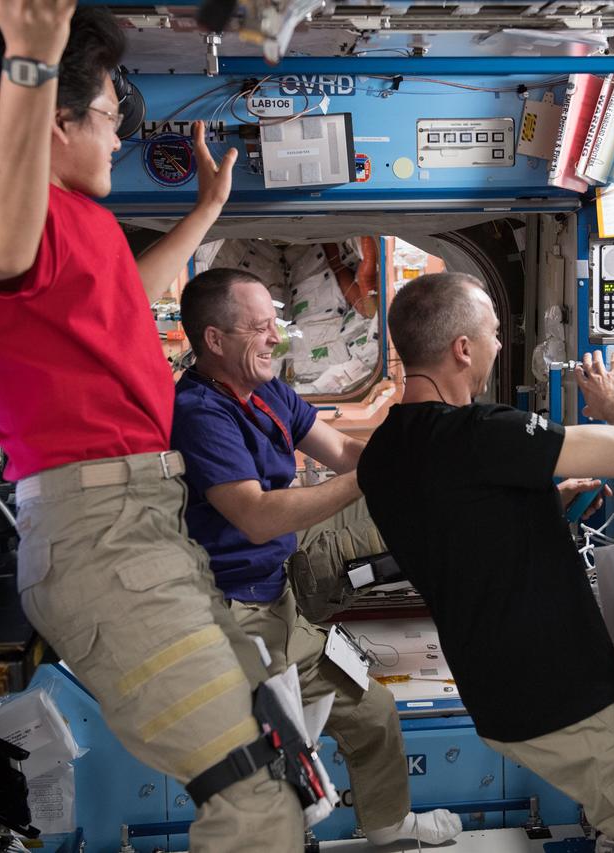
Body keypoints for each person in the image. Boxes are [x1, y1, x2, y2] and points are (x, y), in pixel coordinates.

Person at [0, 3, 303, 848]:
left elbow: (133, 294)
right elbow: (3, 241)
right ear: (55, 123)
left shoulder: (72, 222)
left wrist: (206, 211)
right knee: (252, 800)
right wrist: (32, 54)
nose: (117, 137)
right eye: (103, 117)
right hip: (103, 540)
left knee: (277, 754)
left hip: (145, 528)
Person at [357, 272, 614, 853]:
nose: (500, 346)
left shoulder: (383, 452)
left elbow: (451, 526)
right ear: (462, 349)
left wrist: (540, 503)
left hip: (500, 694)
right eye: (494, 333)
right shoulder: (484, 433)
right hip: (565, 700)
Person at [169, 268, 462, 846]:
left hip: (278, 605)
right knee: (277, 783)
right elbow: (255, 517)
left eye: (273, 323)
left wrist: (424, 448)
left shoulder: (267, 390)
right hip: (228, 621)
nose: (274, 337)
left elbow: (344, 451)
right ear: (214, 340)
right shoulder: (199, 413)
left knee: (370, 707)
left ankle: (388, 823)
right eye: (258, 328)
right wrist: (374, 476)